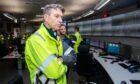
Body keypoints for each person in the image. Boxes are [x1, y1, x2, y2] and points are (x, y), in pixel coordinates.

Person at [25, 4, 69, 84]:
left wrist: (59, 62)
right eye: (56, 16)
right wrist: (66, 67)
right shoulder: (36, 40)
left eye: (61, 17)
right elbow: (54, 72)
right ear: (46, 17)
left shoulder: (57, 38)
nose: (61, 20)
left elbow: (59, 59)